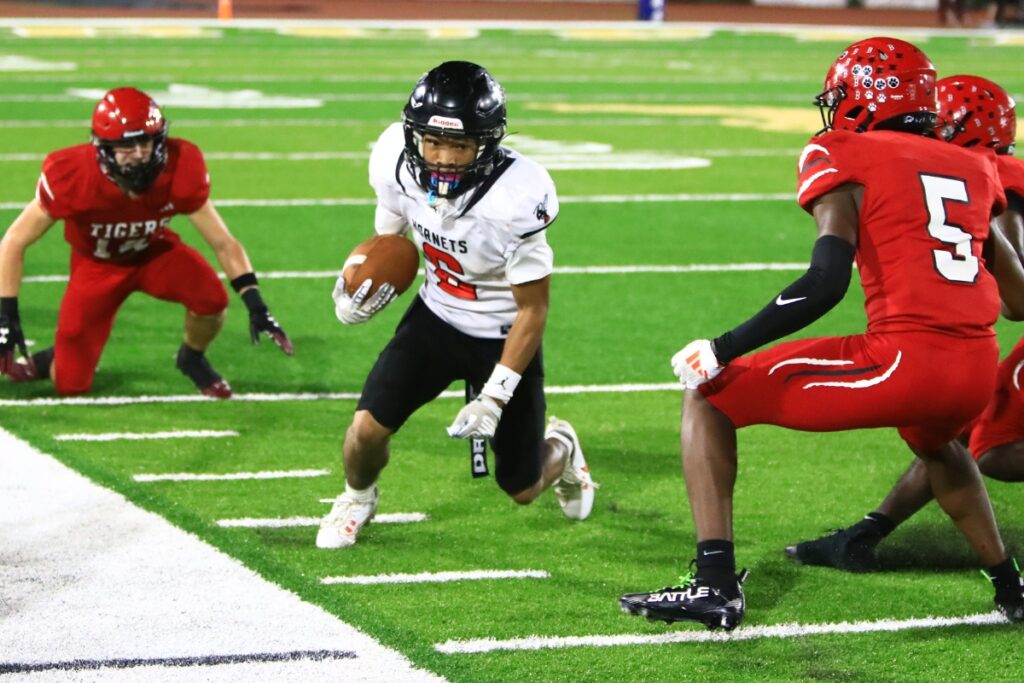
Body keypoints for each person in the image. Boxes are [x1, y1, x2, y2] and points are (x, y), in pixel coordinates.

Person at [619, 38, 1024, 630]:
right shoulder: (976, 166)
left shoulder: (845, 151)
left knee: (709, 397)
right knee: (939, 443)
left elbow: (824, 282)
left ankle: (713, 583)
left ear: (865, 97)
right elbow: (1017, 300)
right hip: (973, 371)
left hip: (904, 359)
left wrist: (721, 347)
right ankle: (1010, 587)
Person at [315, 61, 597, 549]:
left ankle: (564, 447)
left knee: (522, 488)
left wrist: (494, 397)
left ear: (485, 144)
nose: (443, 158)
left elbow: (532, 312)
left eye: (460, 145)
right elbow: (390, 240)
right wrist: (358, 283)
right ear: (413, 136)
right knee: (364, 431)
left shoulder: (516, 197)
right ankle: (357, 497)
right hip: (436, 317)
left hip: (502, 335)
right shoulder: (394, 161)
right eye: (433, 142)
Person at [786, 75, 1024, 577]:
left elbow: (1017, 301)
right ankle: (867, 534)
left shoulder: (992, 172)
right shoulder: (987, 167)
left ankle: (868, 535)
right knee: (947, 435)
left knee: (996, 451)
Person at [0, 87, 292, 398]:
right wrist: (6, 314)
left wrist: (256, 304)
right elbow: (14, 240)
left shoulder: (181, 165)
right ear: (103, 148)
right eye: (126, 145)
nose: (139, 153)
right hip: (97, 266)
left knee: (211, 300)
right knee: (71, 386)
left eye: (146, 141)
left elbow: (223, 242)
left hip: (154, 253)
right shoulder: (72, 174)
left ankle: (191, 358)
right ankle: (49, 359)